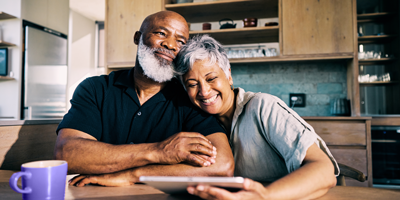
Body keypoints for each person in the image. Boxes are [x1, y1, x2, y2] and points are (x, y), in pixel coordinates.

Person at [54, 11, 234, 187]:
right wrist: (158, 151)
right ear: (137, 37)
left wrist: (133, 175)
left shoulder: (189, 99)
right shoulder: (96, 89)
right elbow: (66, 154)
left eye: (180, 42)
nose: (170, 45)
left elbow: (223, 165)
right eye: (161, 33)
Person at [174, 35, 339, 200]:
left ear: (228, 76)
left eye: (211, 79)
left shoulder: (263, 107)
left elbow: (325, 170)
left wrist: (264, 196)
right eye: (193, 84)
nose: (204, 91)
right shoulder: (197, 124)